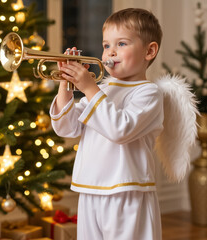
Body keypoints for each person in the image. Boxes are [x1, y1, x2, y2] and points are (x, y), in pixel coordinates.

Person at [50, 8, 164, 240]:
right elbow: (67, 127)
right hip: (89, 188)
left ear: (149, 51)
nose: (111, 52)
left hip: (127, 189)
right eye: (106, 45)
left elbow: (120, 129)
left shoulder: (149, 93)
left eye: (121, 43)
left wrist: (89, 88)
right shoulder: (101, 91)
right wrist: (66, 85)